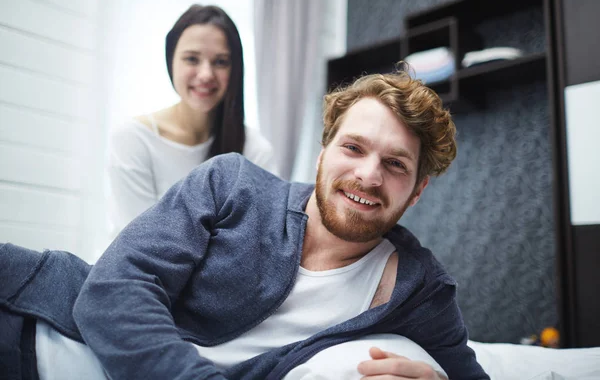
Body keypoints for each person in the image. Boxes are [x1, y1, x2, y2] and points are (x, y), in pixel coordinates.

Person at [0, 70, 489, 380]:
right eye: (354, 148)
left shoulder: (420, 291)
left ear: (417, 190)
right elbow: (115, 290)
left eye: (396, 165)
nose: (368, 174)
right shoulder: (231, 183)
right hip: (34, 332)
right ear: (323, 155)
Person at [107, 4, 278, 237]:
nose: (206, 74)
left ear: (235, 69)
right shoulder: (133, 139)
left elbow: (261, 240)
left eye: (220, 62)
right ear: (171, 61)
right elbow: (139, 244)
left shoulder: (256, 151)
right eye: (192, 59)